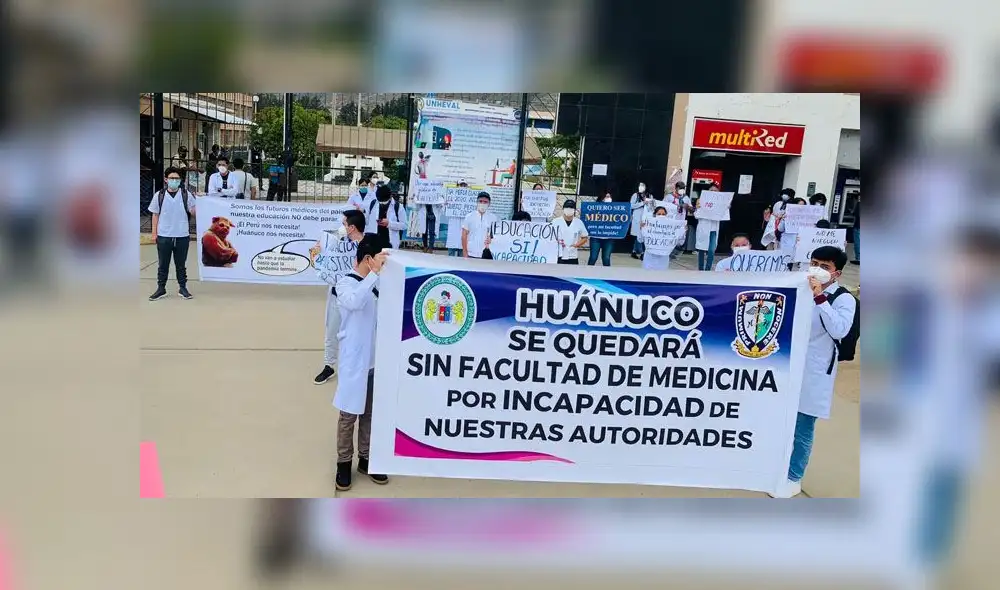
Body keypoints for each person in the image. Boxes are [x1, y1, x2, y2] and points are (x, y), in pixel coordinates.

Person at [770, 246, 857, 498]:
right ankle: (775, 467)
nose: (817, 269)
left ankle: (794, 477)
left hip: (815, 370)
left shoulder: (843, 299)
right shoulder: (800, 287)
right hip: (786, 364)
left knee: (803, 426)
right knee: (778, 420)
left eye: (825, 266)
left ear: (837, 273)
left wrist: (820, 297)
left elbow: (840, 330)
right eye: (814, 263)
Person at [333, 235, 390, 491]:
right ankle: (344, 462)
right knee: (348, 415)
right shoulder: (345, 283)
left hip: (375, 361)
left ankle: (366, 459)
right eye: (380, 259)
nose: (384, 264)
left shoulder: (380, 283)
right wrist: (374, 275)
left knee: (369, 414)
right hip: (354, 361)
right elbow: (355, 302)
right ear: (369, 259)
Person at [311, 210, 366, 385]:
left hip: (356, 297)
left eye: (344, 224)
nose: (341, 227)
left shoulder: (367, 245)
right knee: (332, 331)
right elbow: (325, 262)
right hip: (336, 294)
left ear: (352, 227)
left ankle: (358, 366)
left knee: (356, 334)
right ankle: (329, 365)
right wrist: (317, 253)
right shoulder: (336, 242)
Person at [148, 167, 196, 301]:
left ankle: (183, 287)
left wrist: (201, 201)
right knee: (163, 264)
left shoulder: (186, 195)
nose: (174, 181)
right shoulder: (159, 195)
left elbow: (193, 212)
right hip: (164, 235)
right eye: (171, 178)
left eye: (177, 178)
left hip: (182, 235)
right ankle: (161, 288)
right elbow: (155, 215)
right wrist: (154, 233)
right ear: (166, 179)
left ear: (180, 180)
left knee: (181, 264)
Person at [364, 185, 407, 250]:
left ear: (390, 196)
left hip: (389, 242)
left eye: (384, 201)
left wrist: (389, 224)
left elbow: (404, 225)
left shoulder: (398, 207)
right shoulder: (372, 204)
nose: (382, 203)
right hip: (374, 241)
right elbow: (366, 221)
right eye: (380, 201)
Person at [695, 181, 723, 271]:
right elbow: (696, 215)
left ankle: (708, 269)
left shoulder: (721, 203)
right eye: (711, 190)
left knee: (711, 250)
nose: (713, 192)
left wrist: (726, 208)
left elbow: (723, 215)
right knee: (701, 249)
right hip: (704, 228)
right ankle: (701, 269)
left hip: (713, 229)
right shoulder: (701, 201)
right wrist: (699, 209)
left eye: (716, 191)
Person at [640, 206, 678, 270]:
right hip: (650, 256)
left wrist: (682, 230)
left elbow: (678, 240)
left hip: (663, 257)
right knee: (648, 274)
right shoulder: (648, 225)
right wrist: (642, 228)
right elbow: (640, 239)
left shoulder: (670, 228)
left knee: (661, 274)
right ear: (655, 215)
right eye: (659, 214)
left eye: (663, 214)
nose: (661, 216)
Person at [462, 192, 498, 258]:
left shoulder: (493, 218)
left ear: (489, 204)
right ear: (477, 202)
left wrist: (491, 239)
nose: (482, 204)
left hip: (487, 254)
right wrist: (465, 252)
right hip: (471, 254)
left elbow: (495, 236)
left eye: (485, 202)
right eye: (480, 201)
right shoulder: (469, 216)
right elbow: (464, 235)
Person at [552, 199, 588, 265]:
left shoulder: (579, 222)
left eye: (571, 208)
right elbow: (550, 237)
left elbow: (585, 237)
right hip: (558, 254)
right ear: (563, 209)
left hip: (572, 255)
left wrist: (577, 245)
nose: (569, 209)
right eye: (567, 207)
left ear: (574, 210)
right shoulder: (555, 221)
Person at [776, 196, 808, 269]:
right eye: (799, 206)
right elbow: (780, 229)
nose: (800, 208)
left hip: (799, 243)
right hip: (787, 243)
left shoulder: (807, 218)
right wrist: (783, 220)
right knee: (785, 264)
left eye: (803, 206)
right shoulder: (786, 215)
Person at [588, 191, 615, 267]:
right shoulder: (594, 209)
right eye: (607, 197)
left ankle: (607, 274)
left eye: (610, 197)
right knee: (593, 257)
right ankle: (587, 272)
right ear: (602, 198)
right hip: (596, 237)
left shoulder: (615, 210)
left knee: (606, 258)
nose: (609, 198)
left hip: (609, 238)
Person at [629, 182, 652, 258]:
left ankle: (634, 251)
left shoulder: (650, 196)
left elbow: (652, 207)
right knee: (638, 235)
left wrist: (648, 204)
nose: (641, 187)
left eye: (642, 186)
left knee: (642, 235)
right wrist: (642, 203)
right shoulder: (635, 195)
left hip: (646, 217)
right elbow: (631, 205)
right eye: (640, 186)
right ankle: (642, 253)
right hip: (637, 217)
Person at [851, 192, 860, 265]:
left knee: (858, 242)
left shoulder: (859, 204)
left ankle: (858, 258)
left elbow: (856, 214)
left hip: (858, 226)